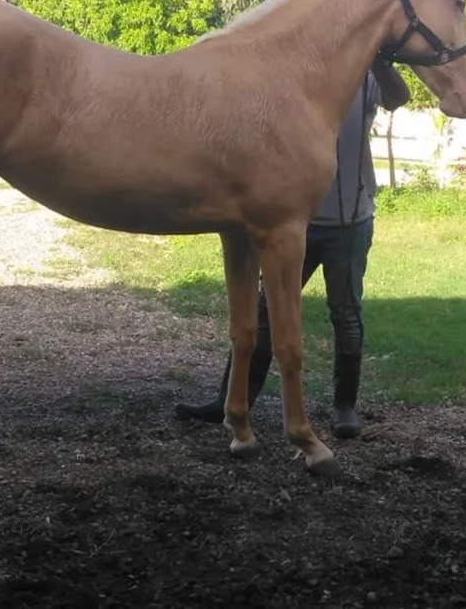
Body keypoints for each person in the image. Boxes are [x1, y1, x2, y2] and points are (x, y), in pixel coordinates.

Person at [173, 60, 411, 438]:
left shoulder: (361, 76)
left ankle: (344, 406)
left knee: (346, 316)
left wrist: (379, 58)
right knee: (265, 313)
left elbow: (399, 96)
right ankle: (232, 399)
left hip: (347, 224)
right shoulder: (294, 75)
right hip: (290, 221)